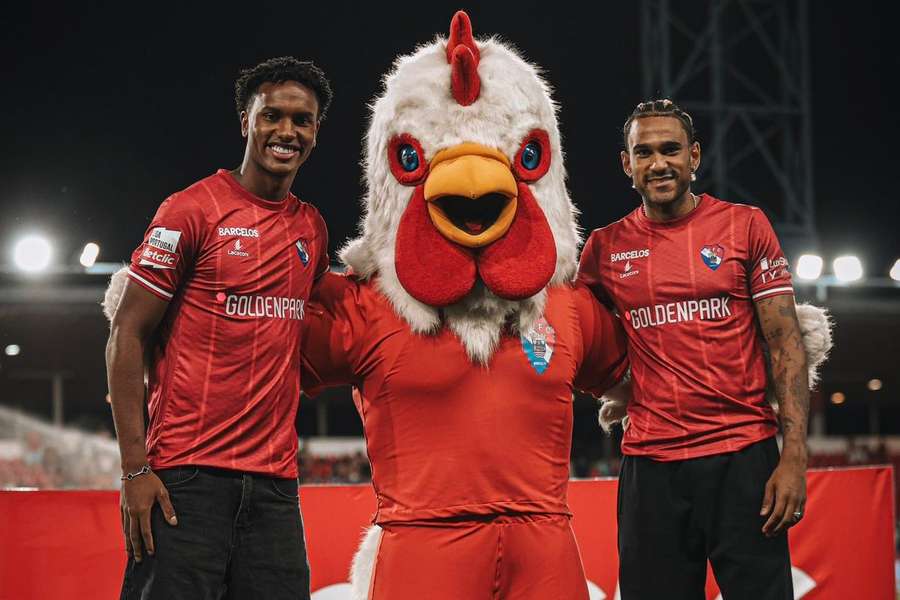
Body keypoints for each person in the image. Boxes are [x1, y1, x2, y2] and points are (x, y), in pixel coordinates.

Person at [105, 56, 332, 600]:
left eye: (301, 120)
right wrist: (136, 470)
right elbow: (126, 334)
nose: (286, 131)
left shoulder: (312, 229)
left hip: (276, 488)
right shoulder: (190, 211)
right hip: (185, 480)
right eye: (271, 116)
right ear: (244, 122)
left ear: (316, 132)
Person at [578, 99, 809, 600]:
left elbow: (786, 342)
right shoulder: (604, 248)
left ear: (695, 156)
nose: (658, 163)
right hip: (652, 466)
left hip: (744, 457)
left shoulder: (745, 226)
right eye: (644, 152)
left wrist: (792, 455)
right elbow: (576, 336)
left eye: (670, 150)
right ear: (627, 164)